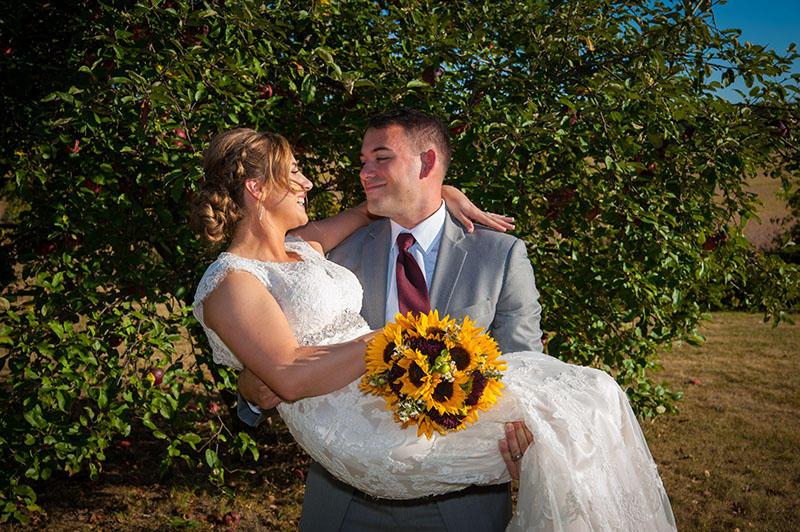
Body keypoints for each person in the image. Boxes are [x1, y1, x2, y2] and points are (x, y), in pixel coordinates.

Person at [193, 113, 677, 531]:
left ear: (425, 164)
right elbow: (276, 355)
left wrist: (439, 191)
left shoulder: (499, 256)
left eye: (380, 159)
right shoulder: (332, 252)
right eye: (363, 161)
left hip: (458, 505)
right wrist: (251, 385)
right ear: (257, 188)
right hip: (344, 489)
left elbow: (524, 359)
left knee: (588, 407)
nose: (357, 173)